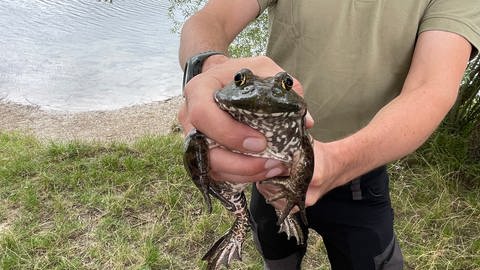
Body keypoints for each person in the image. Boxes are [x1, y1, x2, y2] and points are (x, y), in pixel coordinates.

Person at [178, 0, 480, 269]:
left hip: (360, 173)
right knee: (276, 256)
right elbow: (208, 19)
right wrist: (210, 66)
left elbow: (431, 88)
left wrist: (338, 162)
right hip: (268, 166)